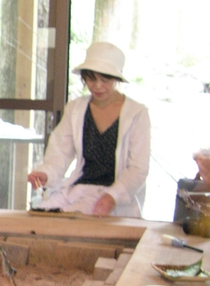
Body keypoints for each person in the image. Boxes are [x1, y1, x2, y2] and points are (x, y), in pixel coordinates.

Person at [27, 42, 150, 217]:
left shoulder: (137, 113)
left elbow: (138, 169)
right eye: (91, 79)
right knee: (39, 216)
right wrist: (46, 174)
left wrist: (112, 196)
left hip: (112, 196)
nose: (97, 86)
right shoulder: (76, 109)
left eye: (105, 80)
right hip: (78, 189)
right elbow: (60, 152)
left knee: (68, 222)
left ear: (117, 79)